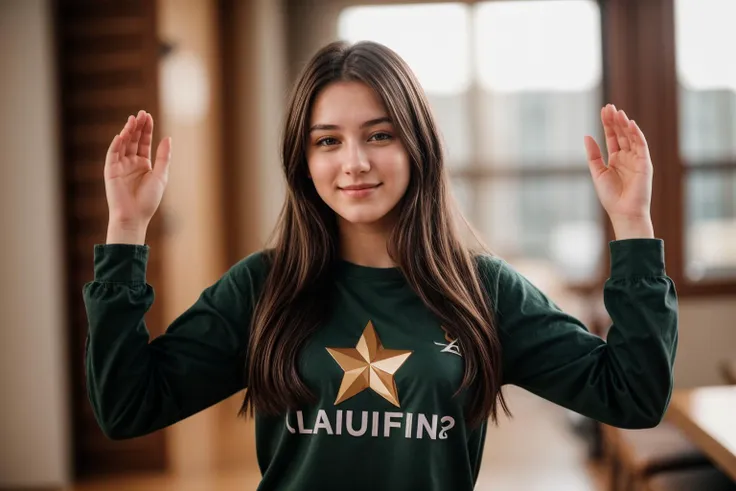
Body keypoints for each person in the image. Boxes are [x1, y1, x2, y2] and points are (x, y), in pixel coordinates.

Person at [84, 40, 678, 491]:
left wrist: (632, 225)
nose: (355, 162)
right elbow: (128, 406)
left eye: (379, 134)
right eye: (328, 141)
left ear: (416, 145)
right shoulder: (262, 287)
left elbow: (633, 397)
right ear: (303, 161)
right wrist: (127, 231)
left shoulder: (484, 291)